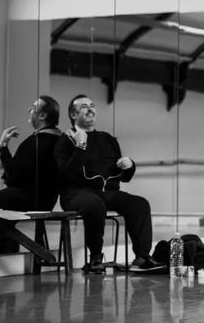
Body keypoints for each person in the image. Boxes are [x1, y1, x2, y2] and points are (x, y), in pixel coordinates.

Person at [54, 94, 162, 273]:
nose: (90, 109)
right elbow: (67, 174)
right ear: (73, 115)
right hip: (75, 193)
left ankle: (142, 257)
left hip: (106, 193)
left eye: (92, 105)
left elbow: (123, 177)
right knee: (95, 205)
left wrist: (129, 165)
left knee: (140, 204)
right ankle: (95, 258)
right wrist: (80, 146)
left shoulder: (108, 139)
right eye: (83, 107)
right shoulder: (65, 141)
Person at [0, 96, 61, 252]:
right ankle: (5, 245)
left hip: (30, 198)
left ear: (42, 116)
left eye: (33, 107)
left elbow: (13, 177)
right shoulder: (57, 138)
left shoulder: (37, 141)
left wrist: (3, 146)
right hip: (46, 198)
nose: (29, 110)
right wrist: (7, 162)